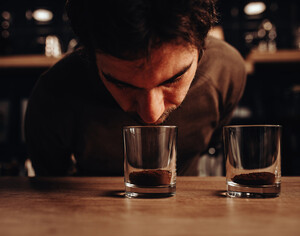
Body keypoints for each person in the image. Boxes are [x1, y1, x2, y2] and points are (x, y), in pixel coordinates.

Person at [25, 0, 246, 176]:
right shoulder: (52, 96)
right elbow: (51, 194)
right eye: (122, 84)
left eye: (173, 79)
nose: (151, 114)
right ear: (90, 57)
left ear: (201, 46)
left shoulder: (226, 71)